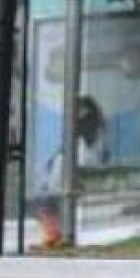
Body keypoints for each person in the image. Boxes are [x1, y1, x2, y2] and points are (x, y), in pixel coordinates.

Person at [33, 96, 108, 247]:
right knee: (46, 200)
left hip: (70, 174)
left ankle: (53, 235)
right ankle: (53, 234)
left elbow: (84, 157)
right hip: (69, 173)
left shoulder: (86, 129)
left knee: (45, 201)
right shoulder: (92, 129)